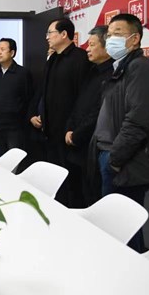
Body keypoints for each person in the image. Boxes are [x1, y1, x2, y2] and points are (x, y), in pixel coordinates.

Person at [93, 13, 149, 252]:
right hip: (112, 156)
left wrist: (115, 159)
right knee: (117, 227)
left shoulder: (140, 68)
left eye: (117, 34)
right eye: (109, 35)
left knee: (124, 229)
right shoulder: (121, 68)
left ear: (134, 39)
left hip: (125, 162)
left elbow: (139, 120)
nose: (110, 39)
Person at [32, 18, 90, 206]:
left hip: (69, 135)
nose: (47, 37)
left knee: (72, 185)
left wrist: (74, 128)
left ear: (64, 34)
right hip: (50, 133)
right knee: (55, 183)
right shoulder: (53, 59)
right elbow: (44, 92)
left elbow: (83, 98)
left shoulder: (80, 59)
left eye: (50, 33)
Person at [64, 26, 113, 207]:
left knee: (92, 199)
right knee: (75, 195)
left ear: (106, 47)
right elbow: (78, 103)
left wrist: (77, 134)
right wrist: (69, 128)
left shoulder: (112, 74)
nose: (88, 49)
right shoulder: (92, 70)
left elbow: (99, 112)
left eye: (92, 45)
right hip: (75, 145)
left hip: (91, 146)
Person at [0, 38, 33, 159]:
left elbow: (28, 98)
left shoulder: (22, 73)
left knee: (14, 160)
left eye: (2, 49)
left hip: (15, 127)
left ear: (12, 53)